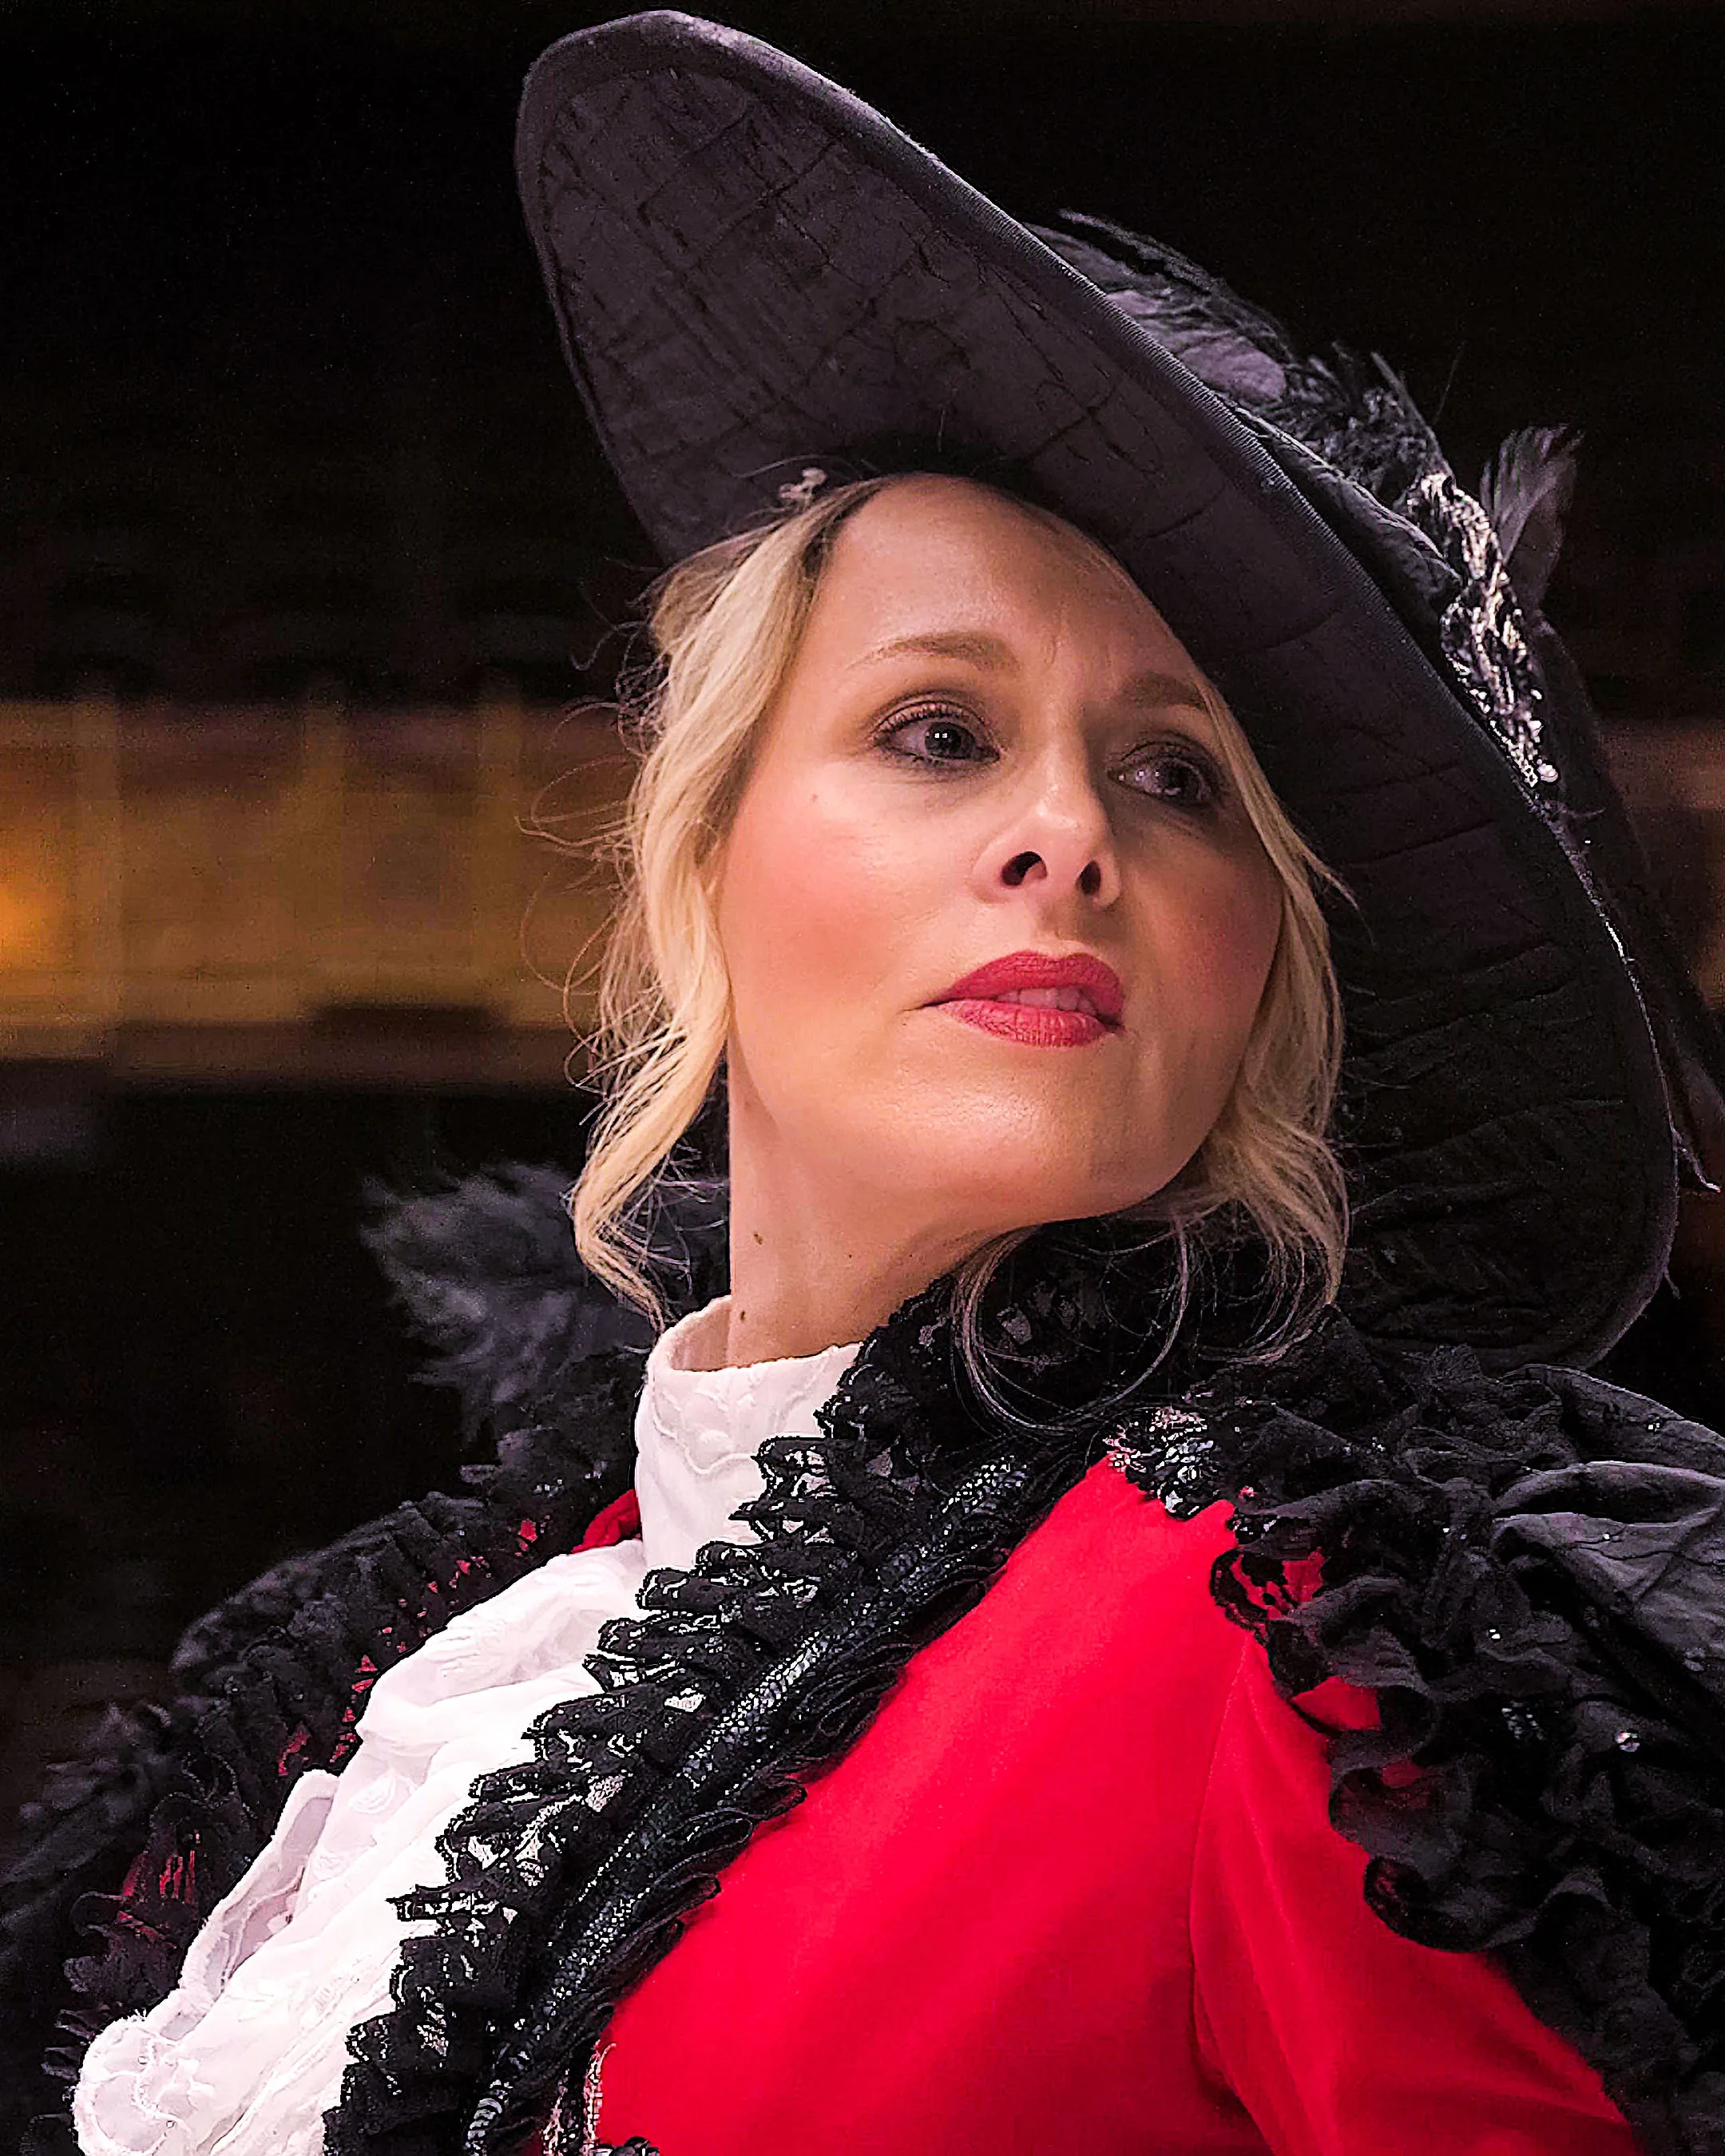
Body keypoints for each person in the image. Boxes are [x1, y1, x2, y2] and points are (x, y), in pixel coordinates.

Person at [6, 13, 1725, 2154]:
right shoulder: (421, 1659)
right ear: (704, 852)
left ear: (1258, 976)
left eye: (1181, 778)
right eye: (939, 732)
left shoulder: (1316, 1647)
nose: (1069, 835)